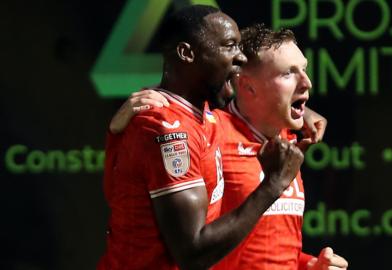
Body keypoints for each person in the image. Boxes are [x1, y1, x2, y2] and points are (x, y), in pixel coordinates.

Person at [111, 24, 348, 270]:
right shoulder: (210, 134)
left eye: (304, 69)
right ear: (247, 86)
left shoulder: (286, 143)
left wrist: (309, 265)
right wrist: (117, 129)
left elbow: (264, 249)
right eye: (288, 73)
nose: (307, 82)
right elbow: (193, 247)